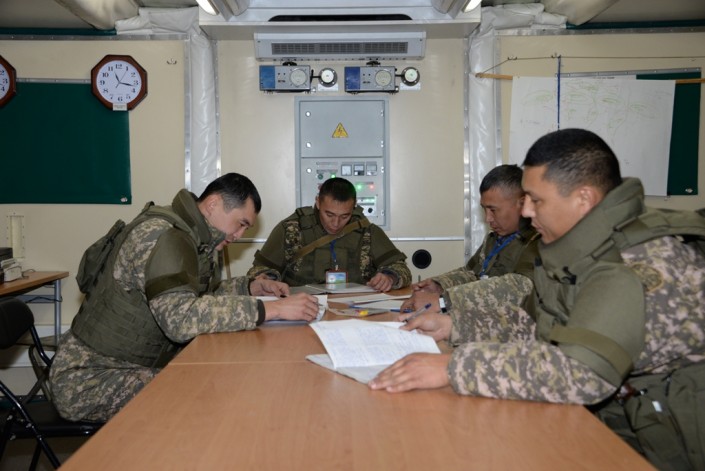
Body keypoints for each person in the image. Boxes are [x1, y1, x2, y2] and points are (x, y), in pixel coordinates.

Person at [369, 129, 705, 461]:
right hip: (617, 417)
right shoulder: (581, 249)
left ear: (583, 199)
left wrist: (454, 367)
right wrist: (454, 325)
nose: (527, 211)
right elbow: (535, 322)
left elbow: (583, 372)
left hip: (662, 439)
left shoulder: (636, 263)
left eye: (536, 200)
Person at [49, 173, 320, 422]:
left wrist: (250, 288)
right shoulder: (162, 236)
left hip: (126, 366)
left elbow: (198, 297)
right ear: (213, 204)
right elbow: (180, 321)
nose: (238, 236)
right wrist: (271, 310)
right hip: (90, 378)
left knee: (221, 379)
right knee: (207, 392)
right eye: (240, 224)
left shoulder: (190, 237)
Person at [401, 164, 538, 313]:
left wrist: (444, 301)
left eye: (493, 210)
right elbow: (473, 274)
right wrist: (440, 285)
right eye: (484, 209)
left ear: (522, 203)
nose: (488, 218)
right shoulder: (495, 239)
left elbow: (519, 288)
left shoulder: (539, 240)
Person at [247, 177, 411, 292]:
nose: (336, 223)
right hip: (301, 306)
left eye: (344, 216)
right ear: (318, 202)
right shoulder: (291, 229)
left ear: (354, 207)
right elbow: (259, 270)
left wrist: (390, 277)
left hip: (355, 308)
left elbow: (401, 268)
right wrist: (268, 280)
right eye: (329, 214)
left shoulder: (367, 231)